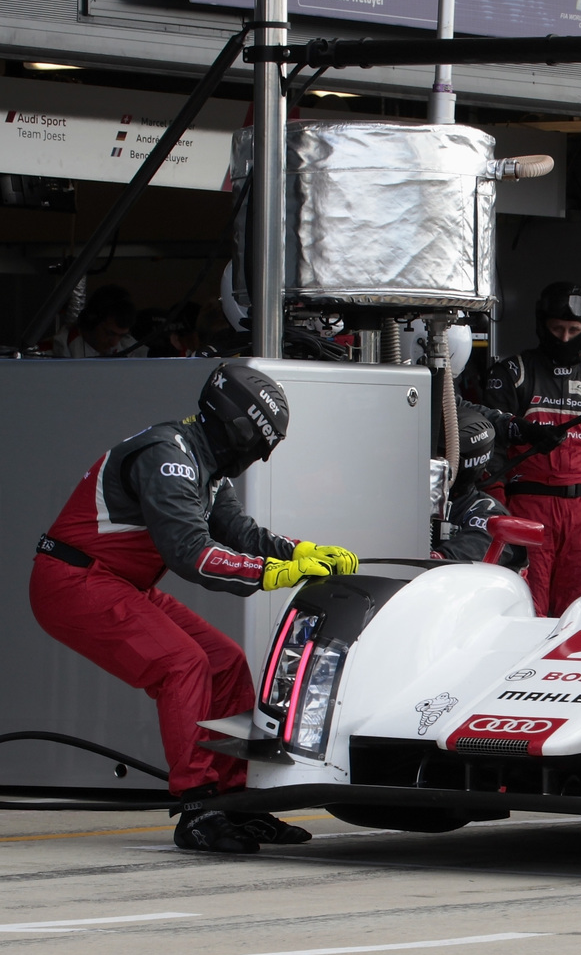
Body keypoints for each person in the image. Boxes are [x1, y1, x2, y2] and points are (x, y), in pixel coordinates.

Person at [30, 364, 357, 853]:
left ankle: (233, 801)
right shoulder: (168, 458)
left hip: (117, 581)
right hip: (75, 580)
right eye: (257, 449)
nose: (257, 461)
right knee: (181, 665)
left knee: (223, 662)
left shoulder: (203, 462)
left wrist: (300, 551)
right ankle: (197, 807)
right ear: (239, 431)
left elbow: (238, 531)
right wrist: (271, 573)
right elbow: (190, 552)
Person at [484, 282, 581, 616]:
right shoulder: (512, 372)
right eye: (557, 329)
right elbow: (493, 443)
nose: (565, 338)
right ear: (541, 326)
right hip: (527, 507)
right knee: (527, 606)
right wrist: (496, 505)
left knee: (575, 611)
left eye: (573, 330)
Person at [432, 407, 521, 568]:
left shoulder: (486, 509)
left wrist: (438, 557)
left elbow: (478, 542)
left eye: (437, 456)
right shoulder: (412, 503)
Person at [54, 284, 146, 358]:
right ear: (90, 321)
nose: (114, 343)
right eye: (109, 333)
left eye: (122, 336)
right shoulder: (52, 354)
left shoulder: (133, 352)